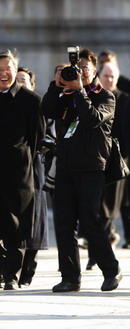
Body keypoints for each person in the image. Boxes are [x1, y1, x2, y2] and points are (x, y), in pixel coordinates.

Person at [41, 48, 122, 292]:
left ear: (93, 72)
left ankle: (111, 269)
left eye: (84, 70)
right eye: (77, 71)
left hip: (92, 168)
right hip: (66, 165)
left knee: (90, 218)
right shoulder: (67, 94)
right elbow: (47, 111)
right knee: (64, 223)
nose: (79, 74)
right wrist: (57, 87)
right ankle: (70, 277)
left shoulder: (105, 97)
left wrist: (81, 91)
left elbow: (91, 119)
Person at [0, 51, 45, 290]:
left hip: (18, 172)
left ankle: (11, 276)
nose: (3, 73)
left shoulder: (31, 100)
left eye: (8, 69)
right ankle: (2, 264)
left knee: (16, 228)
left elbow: (36, 139)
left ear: (15, 71)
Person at [85, 62, 130, 268]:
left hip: (116, 161)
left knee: (108, 210)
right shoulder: (93, 98)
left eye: (113, 76)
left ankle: (99, 251)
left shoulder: (125, 100)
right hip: (94, 161)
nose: (109, 80)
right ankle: (100, 248)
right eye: (106, 76)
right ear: (99, 76)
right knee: (96, 209)